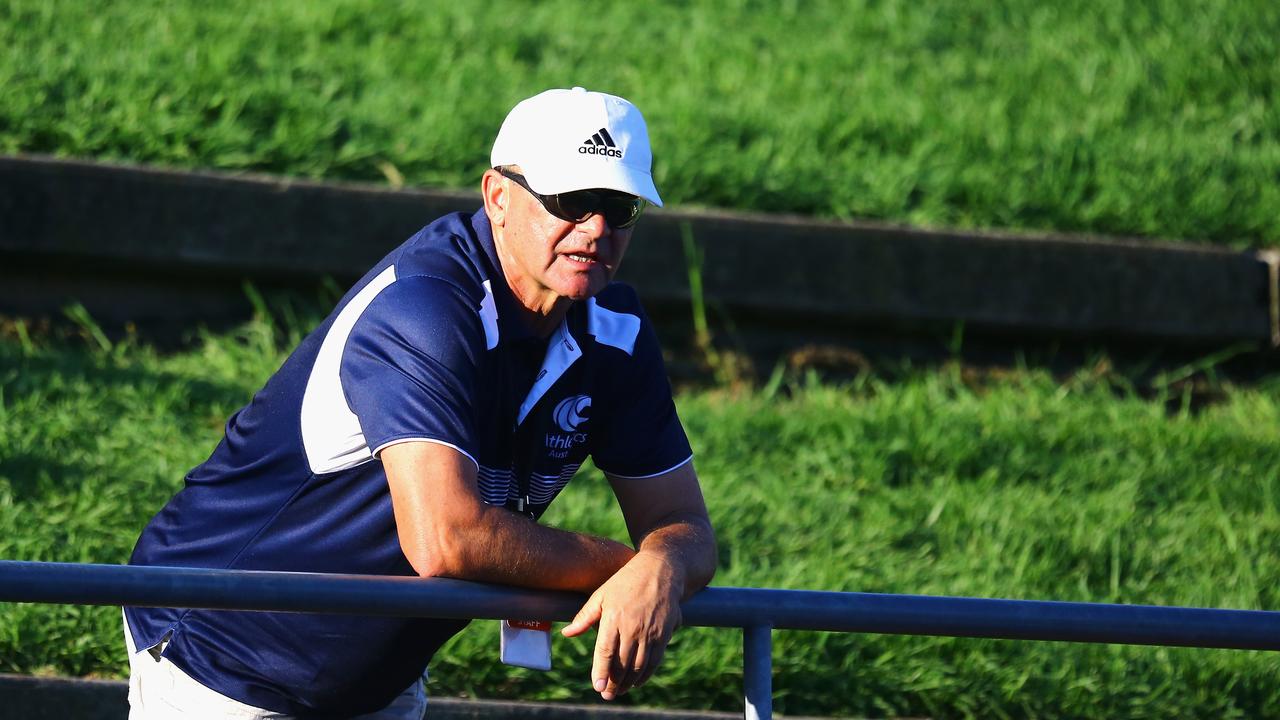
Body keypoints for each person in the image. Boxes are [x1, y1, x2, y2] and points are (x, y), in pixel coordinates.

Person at [122, 87, 717, 719]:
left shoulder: (615, 331)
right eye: (569, 201)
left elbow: (685, 524)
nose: (595, 229)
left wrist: (665, 566)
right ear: (498, 198)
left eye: (619, 207)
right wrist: (629, 567)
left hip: (376, 678)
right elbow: (445, 538)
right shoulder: (424, 306)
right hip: (222, 656)